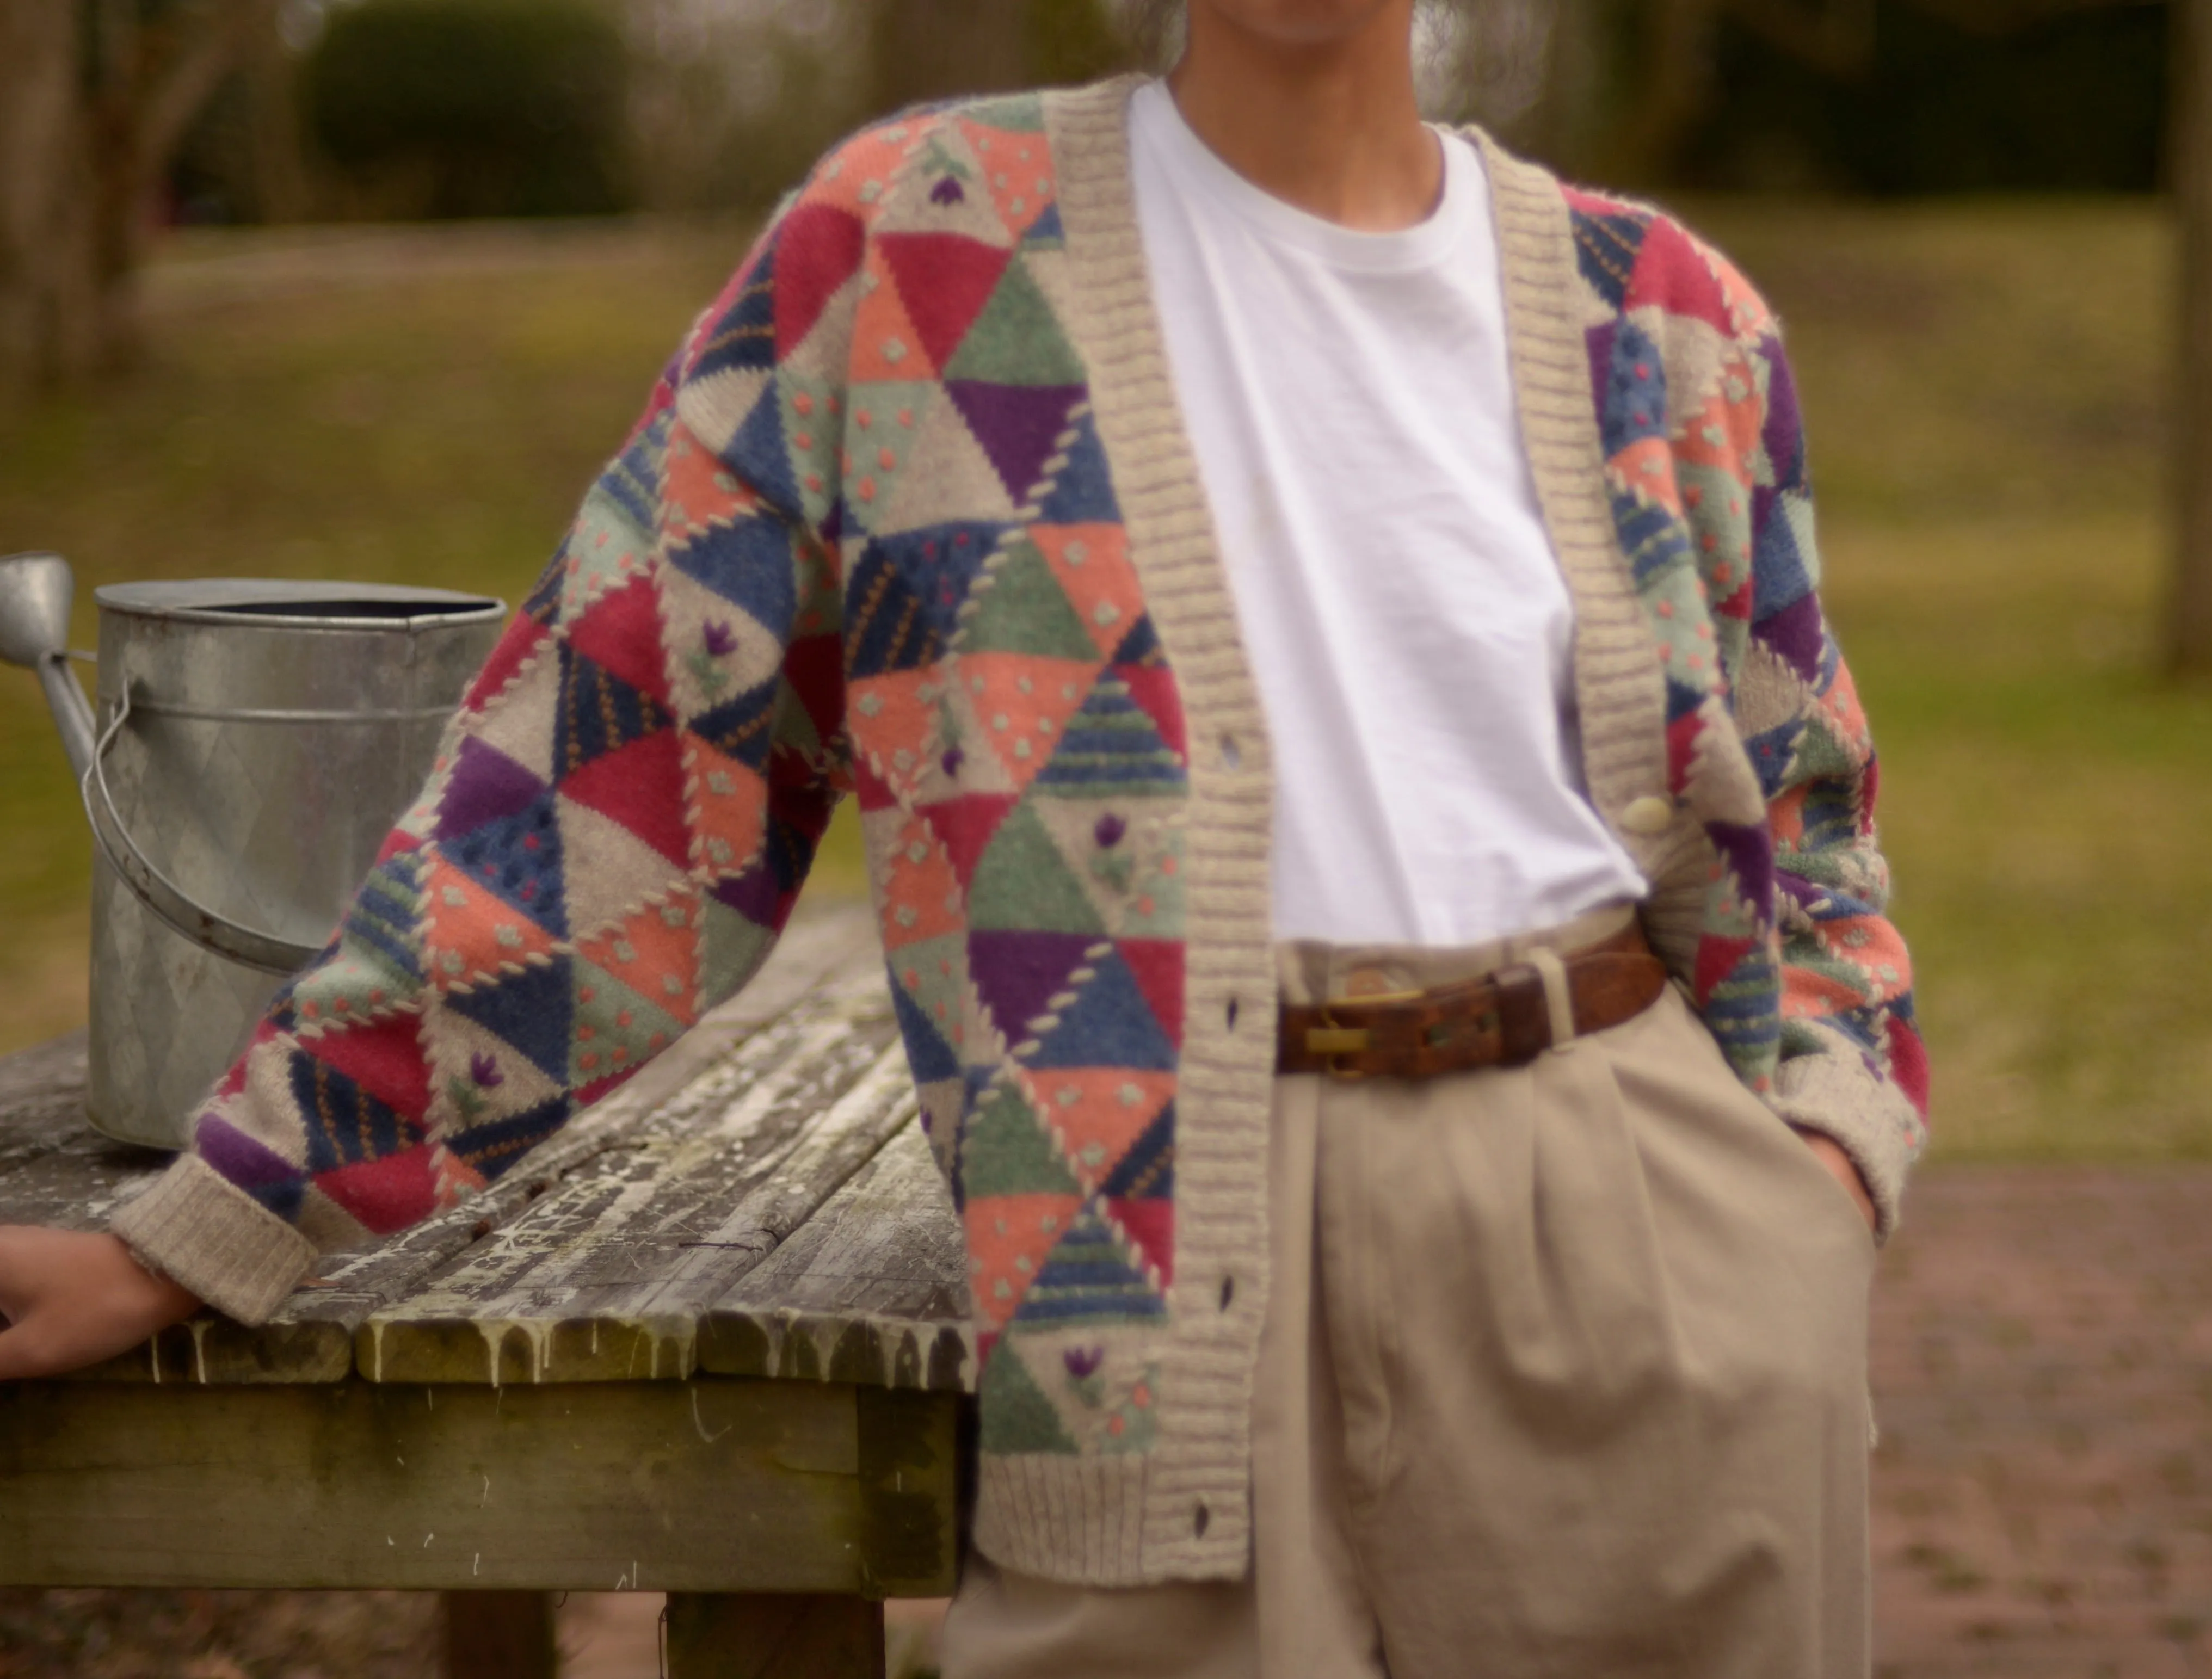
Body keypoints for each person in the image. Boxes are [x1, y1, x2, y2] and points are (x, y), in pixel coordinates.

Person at [0, 0, 1927, 1670]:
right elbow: (613, 776)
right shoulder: (913, 259)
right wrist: (216, 1223)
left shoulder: (1658, 314)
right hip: (1142, 1288)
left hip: (1643, 1259)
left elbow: (1806, 818)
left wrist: (1819, 1169)